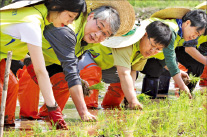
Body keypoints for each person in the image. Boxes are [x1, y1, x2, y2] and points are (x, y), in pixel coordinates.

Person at [16, 0, 135, 120]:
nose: (98, 35)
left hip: (51, 60)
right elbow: (71, 70)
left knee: (64, 82)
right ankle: (26, 121)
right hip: (26, 55)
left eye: (105, 34)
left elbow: (72, 62)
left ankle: (48, 116)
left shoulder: (89, 38)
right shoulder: (68, 30)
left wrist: (79, 79)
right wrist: (83, 113)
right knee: (29, 93)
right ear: (91, 16)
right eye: (99, 27)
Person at [0, 0, 87, 129]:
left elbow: (9, 37)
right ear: (57, 7)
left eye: (74, 19)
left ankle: (6, 126)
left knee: (11, 85)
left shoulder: (39, 14)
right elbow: (41, 72)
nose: (71, 22)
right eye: (70, 16)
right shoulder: (32, 23)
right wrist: (53, 109)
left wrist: (28, 61)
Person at [78, 20, 172, 109]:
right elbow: (124, 74)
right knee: (94, 72)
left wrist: (130, 98)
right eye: (152, 45)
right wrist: (133, 100)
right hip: (86, 58)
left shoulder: (145, 50)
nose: (153, 51)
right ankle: (89, 109)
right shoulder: (127, 43)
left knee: (125, 84)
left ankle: (110, 108)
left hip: (105, 66)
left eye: (158, 49)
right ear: (145, 35)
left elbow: (133, 71)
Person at [140, 8, 207, 98]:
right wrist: (182, 86)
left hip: (156, 54)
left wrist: (178, 72)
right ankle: (149, 97)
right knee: (156, 68)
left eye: (198, 35)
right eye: (196, 32)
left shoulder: (183, 32)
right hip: (142, 53)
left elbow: (166, 57)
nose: (195, 37)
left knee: (190, 65)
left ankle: (154, 99)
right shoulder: (171, 30)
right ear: (187, 23)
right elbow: (169, 59)